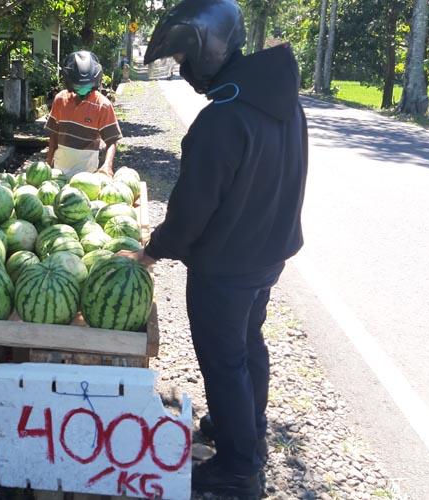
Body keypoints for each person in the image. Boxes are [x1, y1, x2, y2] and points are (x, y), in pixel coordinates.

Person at [126, 0, 309, 498]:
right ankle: (246, 433)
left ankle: (237, 468)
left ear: (209, 51)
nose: (184, 73)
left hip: (227, 265)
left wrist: (153, 250)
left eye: (186, 61)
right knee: (250, 344)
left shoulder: (223, 117)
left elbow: (191, 207)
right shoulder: (279, 95)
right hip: (268, 252)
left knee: (224, 360)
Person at [45, 51, 122, 177]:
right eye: (78, 85)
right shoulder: (60, 100)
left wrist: (107, 165)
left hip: (87, 176)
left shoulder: (103, 106)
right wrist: (48, 162)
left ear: (95, 82)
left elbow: (112, 140)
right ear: (69, 82)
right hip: (59, 173)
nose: (83, 89)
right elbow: (54, 134)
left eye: (87, 85)